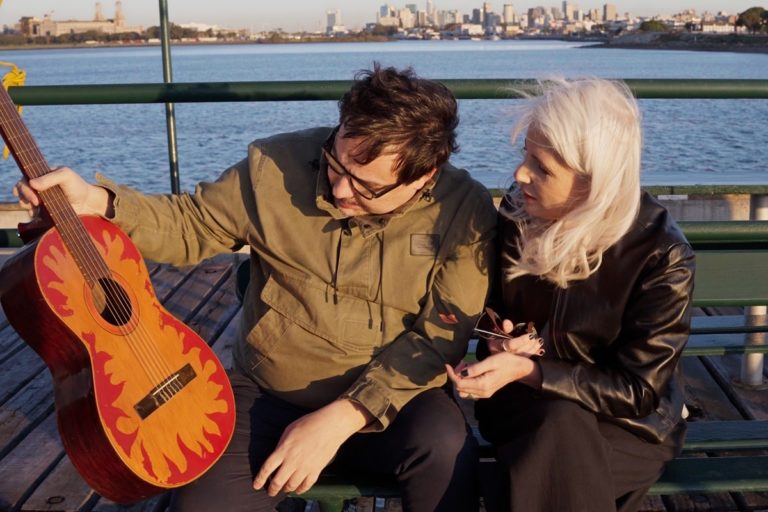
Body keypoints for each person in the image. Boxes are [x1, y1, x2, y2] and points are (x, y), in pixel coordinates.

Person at [14, 64, 497, 512]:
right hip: (268, 394)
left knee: (448, 454)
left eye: (368, 187)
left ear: (424, 177)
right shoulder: (275, 165)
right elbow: (191, 225)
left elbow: (439, 338)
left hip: (398, 402)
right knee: (201, 502)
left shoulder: (464, 209)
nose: (342, 190)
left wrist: (344, 415)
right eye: (336, 164)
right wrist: (98, 200)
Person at [446, 78, 696, 512]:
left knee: (549, 454)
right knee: (558, 443)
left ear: (592, 183)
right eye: (524, 156)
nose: (520, 174)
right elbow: (491, 309)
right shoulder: (519, 214)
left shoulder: (660, 254)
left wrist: (529, 369)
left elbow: (639, 390)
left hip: (626, 425)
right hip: (522, 407)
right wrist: (500, 338)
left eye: (541, 167)